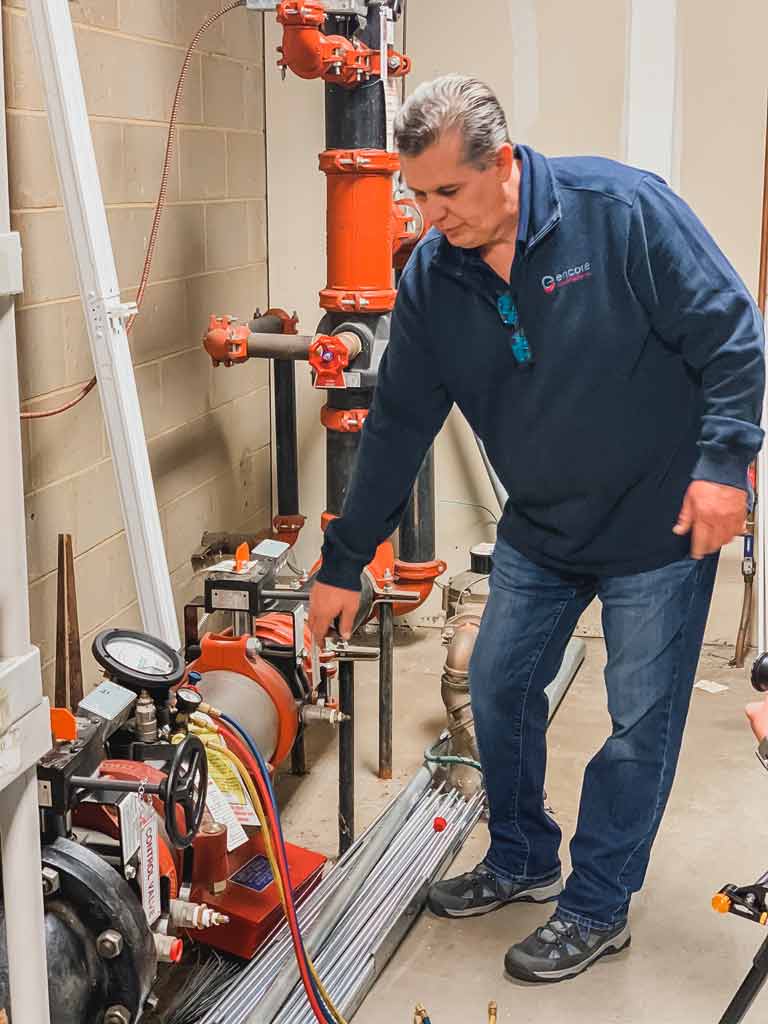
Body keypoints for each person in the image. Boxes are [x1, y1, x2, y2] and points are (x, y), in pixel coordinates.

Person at [308, 74, 765, 982]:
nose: (431, 216)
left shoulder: (622, 213)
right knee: (496, 685)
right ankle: (521, 856)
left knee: (637, 726)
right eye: (418, 195)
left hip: (658, 526)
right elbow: (397, 427)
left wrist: (723, 466)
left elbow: (734, 334)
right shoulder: (435, 276)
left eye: (448, 191)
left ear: (504, 164)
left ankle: (597, 905)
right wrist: (341, 563)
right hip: (542, 527)